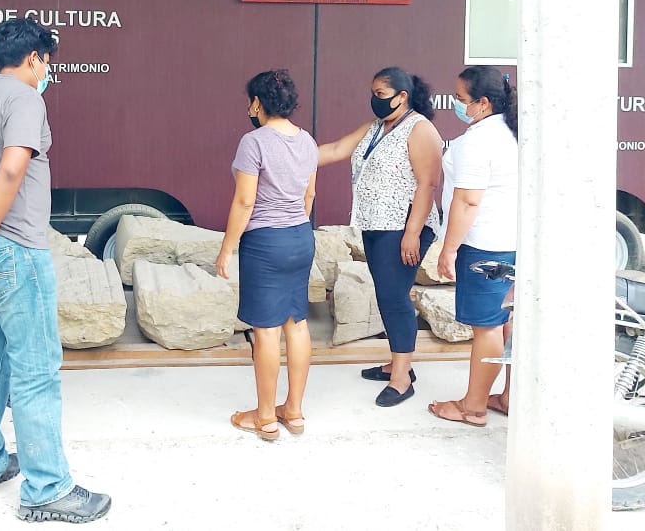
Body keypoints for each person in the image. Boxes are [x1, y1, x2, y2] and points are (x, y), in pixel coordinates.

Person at [0, 17, 111, 523]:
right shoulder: (26, 98)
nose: (47, 70)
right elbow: (13, 167)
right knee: (35, 369)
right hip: (14, 250)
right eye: (47, 61)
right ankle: (47, 489)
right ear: (34, 58)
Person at [318, 67, 442, 406]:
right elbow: (336, 148)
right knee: (389, 294)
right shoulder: (375, 127)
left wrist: (412, 234)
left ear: (402, 96)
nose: (375, 100)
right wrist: (287, 153)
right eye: (372, 93)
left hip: (403, 227)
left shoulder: (420, 129)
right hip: (375, 225)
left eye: (381, 94)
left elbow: (427, 183)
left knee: (393, 297)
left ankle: (402, 379)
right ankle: (397, 363)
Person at [215, 70, 318, 440]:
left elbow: (245, 201)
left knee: (267, 331)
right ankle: (294, 411)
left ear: (258, 103)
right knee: (297, 323)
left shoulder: (253, 141)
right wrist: (295, 228)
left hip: (265, 243)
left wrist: (226, 248)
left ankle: (264, 417)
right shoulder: (307, 141)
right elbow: (309, 196)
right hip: (300, 237)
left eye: (250, 101)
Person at [428, 65, 519, 426]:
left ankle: (473, 407)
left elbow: (467, 201)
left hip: (486, 247)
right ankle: (510, 397)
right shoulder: (513, 134)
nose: (456, 105)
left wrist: (449, 249)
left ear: (482, 103)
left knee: (488, 327)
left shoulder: (477, 142)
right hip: (514, 242)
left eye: (461, 99)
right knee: (509, 321)